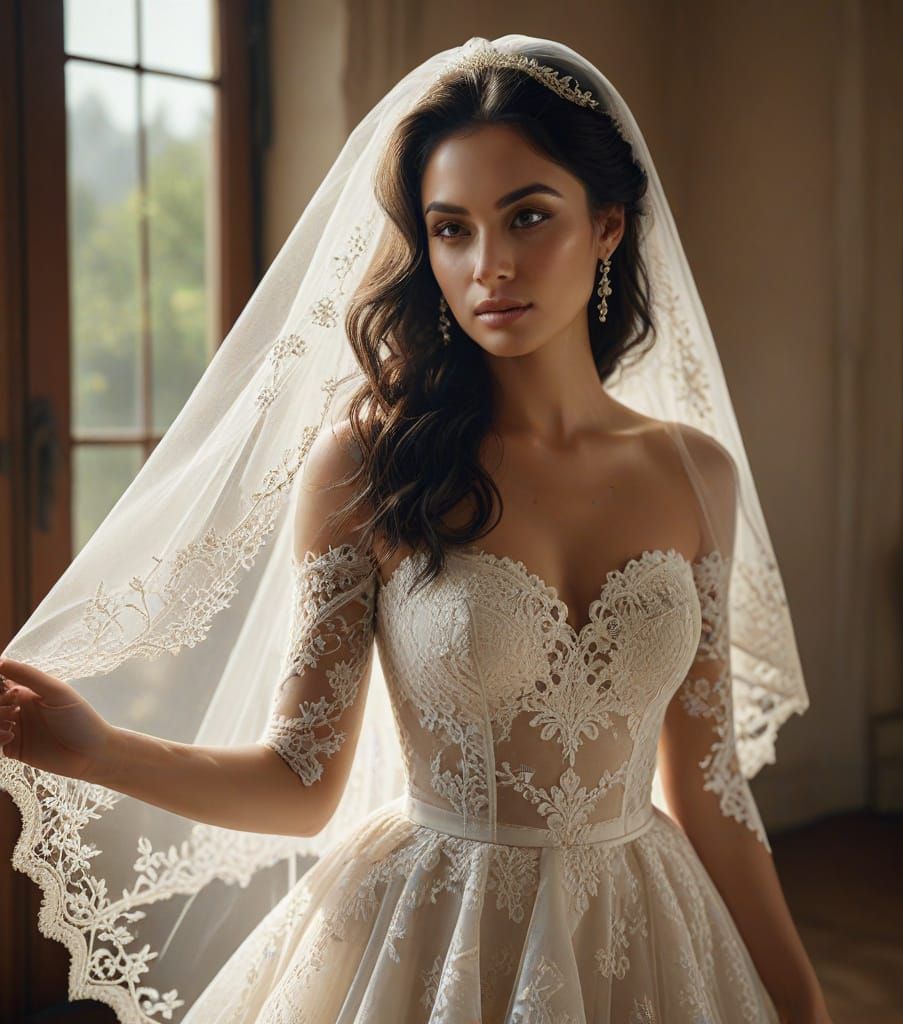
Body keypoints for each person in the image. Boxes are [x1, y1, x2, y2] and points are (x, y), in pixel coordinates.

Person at [0, 35, 826, 1023]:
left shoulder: (696, 474)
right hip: (433, 943)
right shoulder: (370, 465)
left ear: (607, 225)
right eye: (452, 229)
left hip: (640, 944)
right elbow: (302, 781)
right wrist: (95, 748)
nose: (490, 266)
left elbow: (710, 792)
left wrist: (803, 1004)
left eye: (528, 216)